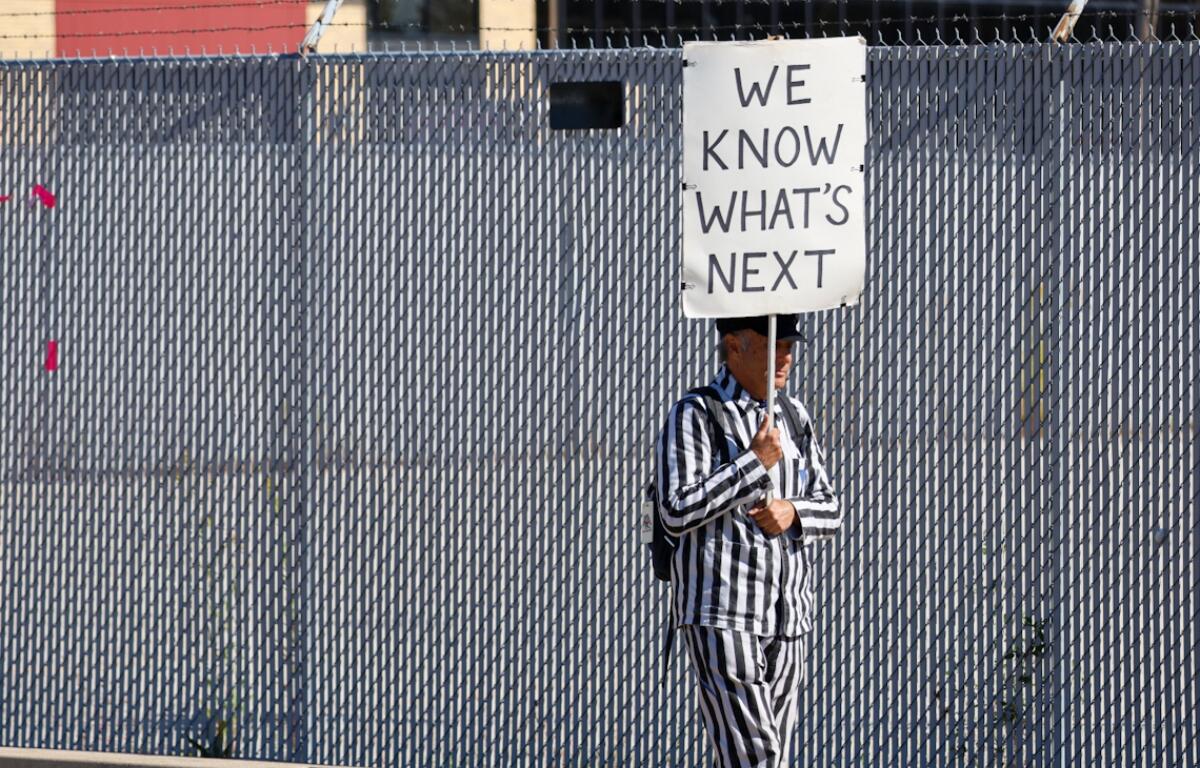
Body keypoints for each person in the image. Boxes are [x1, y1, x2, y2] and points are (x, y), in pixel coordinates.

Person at [654, 314, 841, 768]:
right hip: (722, 616)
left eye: (791, 344)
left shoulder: (794, 416)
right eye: (773, 343)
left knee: (749, 758)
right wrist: (753, 464)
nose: (787, 355)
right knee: (758, 759)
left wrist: (792, 511)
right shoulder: (696, 414)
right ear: (734, 347)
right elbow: (674, 509)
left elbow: (831, 508)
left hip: (788, 619)